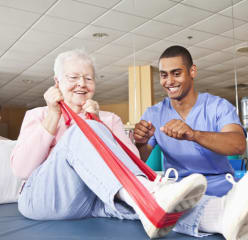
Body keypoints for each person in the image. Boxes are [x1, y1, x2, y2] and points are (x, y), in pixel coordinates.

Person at [10, 49, 208, 239]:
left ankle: (220, 214)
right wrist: (54, 115)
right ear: (57, 82)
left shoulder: (109, 119)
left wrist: (97, 122)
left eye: (88, 78)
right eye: (73, 78)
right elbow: (22, 170)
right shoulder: (38, 115)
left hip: (92, 198)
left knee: (173, 203)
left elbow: (132, 163)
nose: (82, 84)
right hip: (42, 198)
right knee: (83, 129)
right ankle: (147, 195)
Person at [133, 45, 248, 238]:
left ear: (192, 71)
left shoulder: (217, 106)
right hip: (180, 190)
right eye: (164, 75)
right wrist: (140, 142)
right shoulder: (153, 113)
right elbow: (138, 161)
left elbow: (238, 144)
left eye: (176, 73)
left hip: (219, 185)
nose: (169, 81)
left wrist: (193, 134)